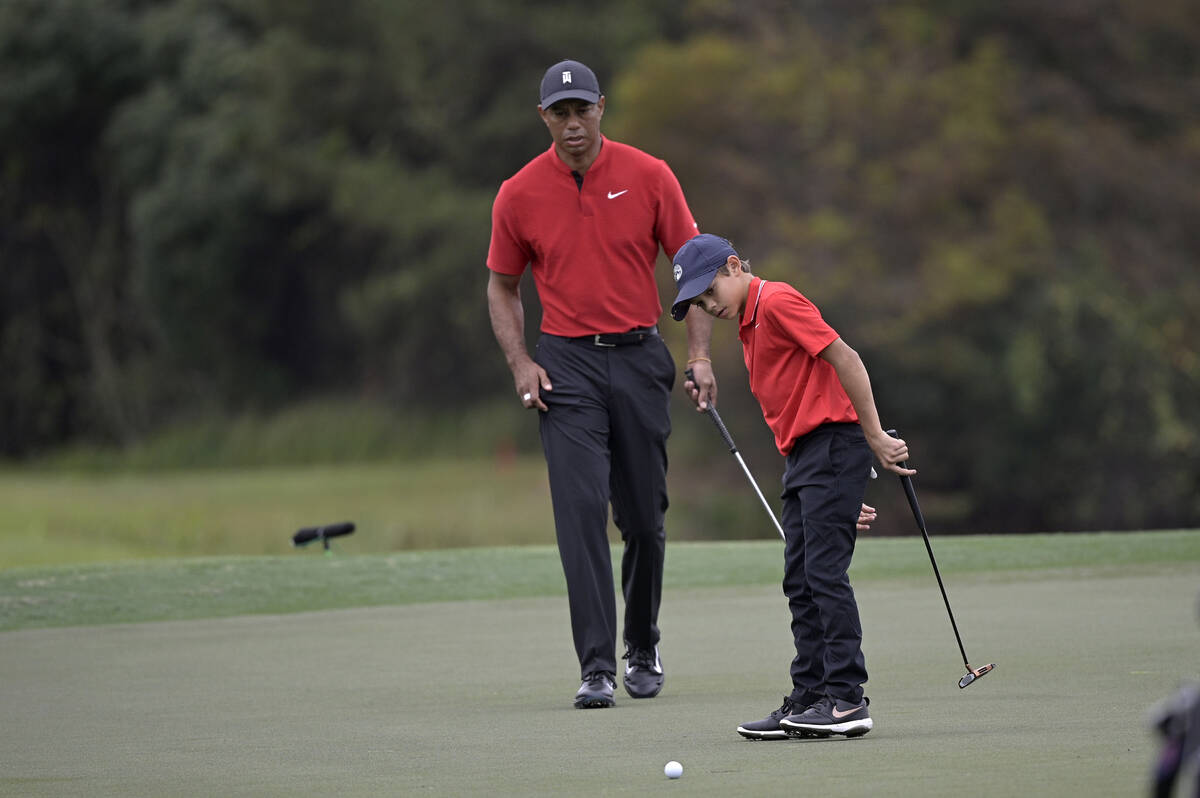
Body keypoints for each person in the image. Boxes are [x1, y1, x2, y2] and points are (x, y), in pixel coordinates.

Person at [486, 59, 717, 709]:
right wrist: (520, 365)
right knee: (580, 513)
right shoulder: (519, 193)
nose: (572, 124)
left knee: (644, 518)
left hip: (640, 356)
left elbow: (693, 272)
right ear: (544, 119)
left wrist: (699, 355)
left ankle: (641, 644)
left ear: (601, 109)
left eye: (581, 110)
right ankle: (596, 667)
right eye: (559, 114)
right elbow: (502, 287)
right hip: (566, 367)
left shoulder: (650, 175)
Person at [670, 233, 914, 739]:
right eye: (698, 301)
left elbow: (845, 358)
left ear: (734, 266)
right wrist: (841, 494)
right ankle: (810, 696)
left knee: (824, 574)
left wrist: (873, 439)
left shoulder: (777, 301)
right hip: (806, 458)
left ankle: (847, 700)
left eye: (709, 290)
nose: (708, 304)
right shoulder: (748, 325)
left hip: (832, 444)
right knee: (800, 580)